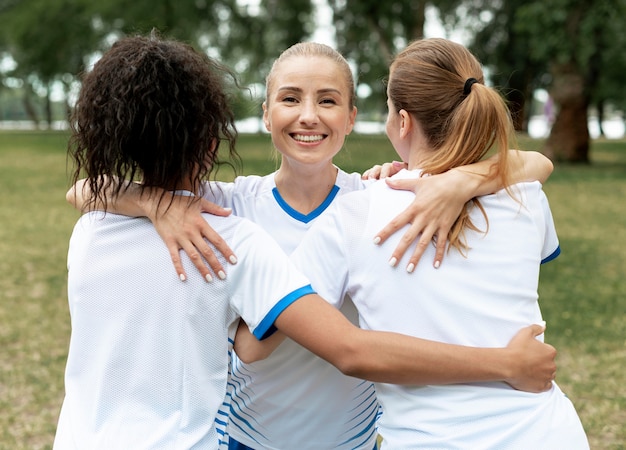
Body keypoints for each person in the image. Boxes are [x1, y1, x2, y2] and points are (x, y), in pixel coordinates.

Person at [66, 42, 555, 449]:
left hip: (352, 436)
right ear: (266, 114)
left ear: (349, 117)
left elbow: (534, 164)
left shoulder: (378, 199)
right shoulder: (223, 207)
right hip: (248, 435)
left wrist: (461, 183)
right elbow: (86, 191)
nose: (308, 116)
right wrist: (155, 203)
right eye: (290, 98)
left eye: (326, 100)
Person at [241, 38, 589, 449]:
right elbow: (533, 165)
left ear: (402, 121)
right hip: (551, 434)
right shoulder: (526, 197)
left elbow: (252, 344)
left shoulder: (355, 215)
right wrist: (464, 180)